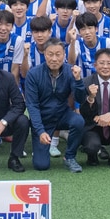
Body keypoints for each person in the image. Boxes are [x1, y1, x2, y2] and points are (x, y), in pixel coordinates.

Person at [22, 41, 85, 173]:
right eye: (50, 54)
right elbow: (32, 106)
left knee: (78, 121)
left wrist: (78, 80)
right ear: (45, 55)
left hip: (62, 115)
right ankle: (40, 146)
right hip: (43, 119)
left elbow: (80, 99)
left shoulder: (70, 71)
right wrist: (40, 131)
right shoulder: (33, 74)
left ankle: (70, 157)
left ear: (64, 55)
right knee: (41, 165)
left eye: (58, 54)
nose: (54, 58)